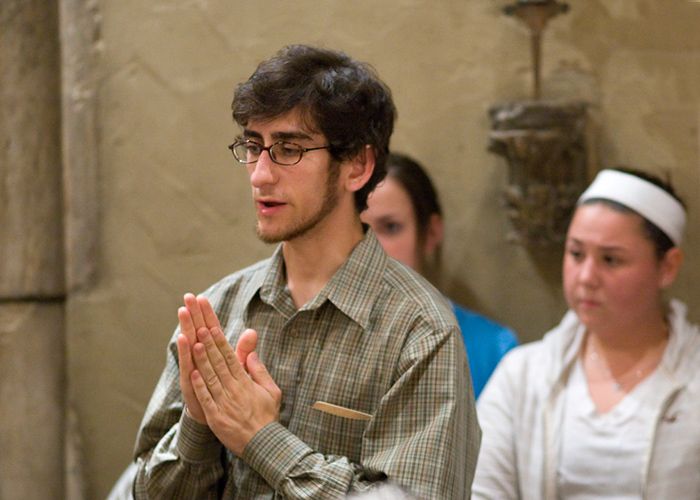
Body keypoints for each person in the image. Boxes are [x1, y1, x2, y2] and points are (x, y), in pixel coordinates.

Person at [131, 44, 480, 499]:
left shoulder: (421, 331)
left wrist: (259, 438)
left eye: (288, 149)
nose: (259, 175)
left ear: (357, 166)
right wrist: (200, 424)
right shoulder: (219, 308)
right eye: (253, 146)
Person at [472, 167, 700, 499]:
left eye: (611, 259)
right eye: (576, 254)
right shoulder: (522, 376)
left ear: (667, 266)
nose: (586, 277)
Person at [361, 152, 518, 398]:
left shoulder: (493, 348)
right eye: (359, 230)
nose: (370, 247)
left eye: (390, 228)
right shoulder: (325, 339)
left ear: (432, 232)